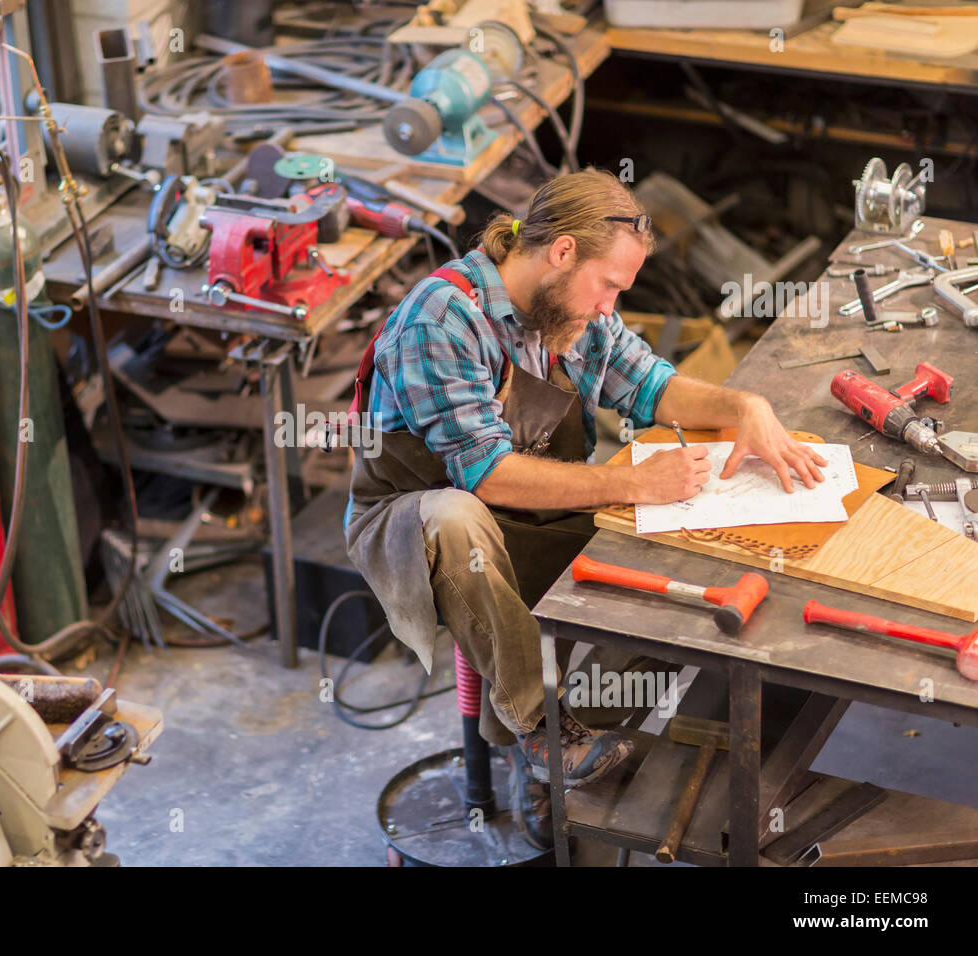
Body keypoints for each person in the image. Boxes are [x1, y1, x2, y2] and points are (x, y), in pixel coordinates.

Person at [344, 168, 826, 848]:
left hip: (520, 512)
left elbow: (653, 386)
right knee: (462, 517)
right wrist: (631, 483)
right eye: (610, 286)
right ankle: (542, 736)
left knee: (663, 554)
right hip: (415, 523)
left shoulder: (571, 310)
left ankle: (557, 751)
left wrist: (745, 407)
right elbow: (483, 474)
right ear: (563, 251)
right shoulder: (443, 316)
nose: (610, 307)